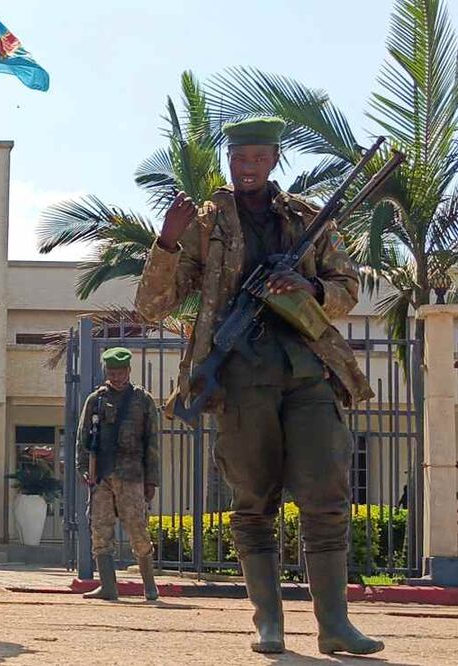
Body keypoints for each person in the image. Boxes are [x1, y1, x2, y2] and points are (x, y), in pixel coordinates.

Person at [135, 116, 383, 655]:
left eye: (257, 158)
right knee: (252, 503)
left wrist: (309, 285)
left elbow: (347, 289)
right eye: (238, 159)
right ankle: (268, 622)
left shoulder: (308, 219)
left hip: (308, 369)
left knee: (326, 494)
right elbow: (154, 304)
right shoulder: (206, 223)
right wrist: (167, 242)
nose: (246, 168)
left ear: (274, 160)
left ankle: (334, 626)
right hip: (241, 379)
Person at [76, 347, 160, 602]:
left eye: (121, 372)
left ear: (129, 371)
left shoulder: (143, 400)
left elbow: (152, 442)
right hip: (101, 474)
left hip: (132, 473)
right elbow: (82, 438)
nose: (116, 376)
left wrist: (151, 480)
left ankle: (149, 586)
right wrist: (83, 468)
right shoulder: (96, 399)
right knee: (100, 529)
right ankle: (108, 586)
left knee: (138, 528)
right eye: (112, 372)